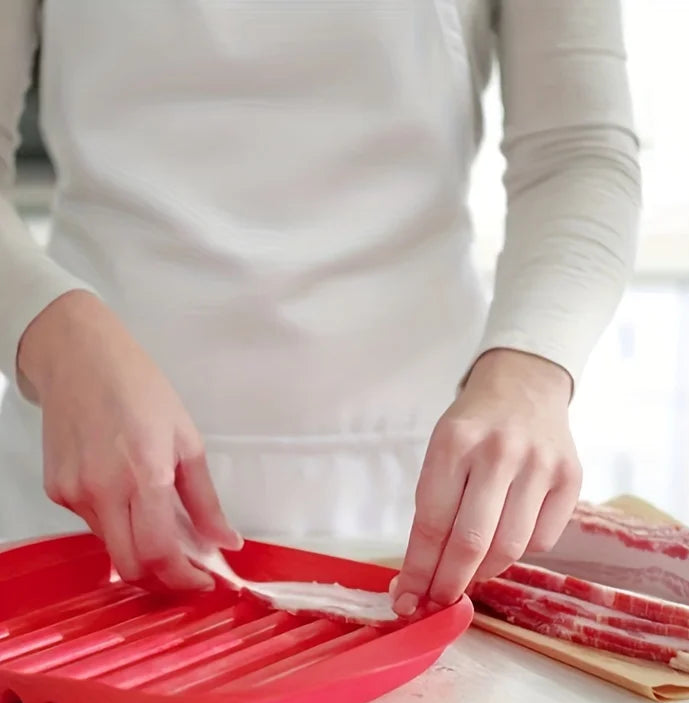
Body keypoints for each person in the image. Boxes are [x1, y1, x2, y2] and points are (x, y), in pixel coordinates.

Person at [0, 0, 640, 616]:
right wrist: (57, 336)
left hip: (420, 493)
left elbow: (577, 152)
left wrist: (530, 372)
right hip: (86, 481)